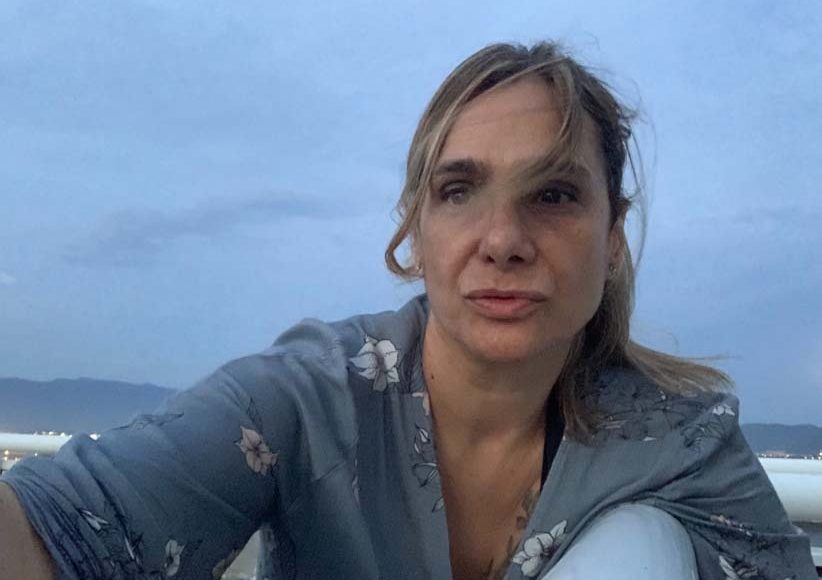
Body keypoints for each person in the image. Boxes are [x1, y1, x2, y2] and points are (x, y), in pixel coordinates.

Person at [0, 41, 816, 580]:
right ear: (415, 236)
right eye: (459, 191)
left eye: (555, 195)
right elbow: (67, 523)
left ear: (611, 238)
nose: (504, 240)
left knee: (645, 544)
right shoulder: (307, 403)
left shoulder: (676, 444)